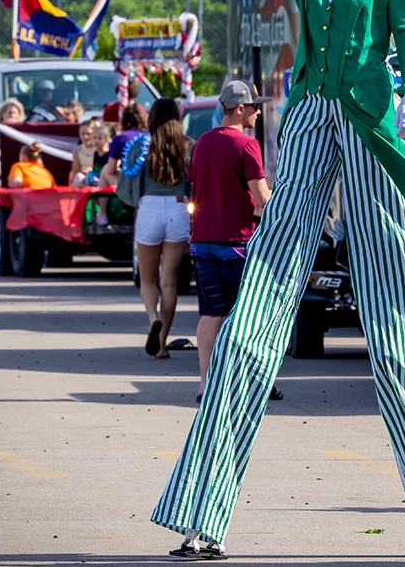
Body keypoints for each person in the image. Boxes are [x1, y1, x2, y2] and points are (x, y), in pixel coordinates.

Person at [152, 0, 405, 560]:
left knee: (399, 318)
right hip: (307, 119)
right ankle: (201, 516)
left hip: (370, 125)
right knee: (256, 309)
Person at [188, 81, 277, 402]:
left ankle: (205, 383)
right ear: (240, 108)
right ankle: (251, 381)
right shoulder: (246, 145)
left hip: (202, 241)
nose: (257, 112)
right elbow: (262, 198)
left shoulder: (201, 144)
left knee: (210, 314)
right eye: (254, 107)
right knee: (249, 315)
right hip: (236, 243)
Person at [129, 99, 191, 359]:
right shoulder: (188, 146)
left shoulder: (142, 146)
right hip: (178, 209)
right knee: (170, 281)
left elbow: (128, 181)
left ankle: (152, 317)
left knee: (147, 279)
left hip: (149, 209)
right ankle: (162, 344)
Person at [100, 102, 147, 187]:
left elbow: (111, 170)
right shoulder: (150, 136)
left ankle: (102, 200)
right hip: (148, 183)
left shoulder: (120, 138)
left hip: (129, 185)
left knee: (105, 169)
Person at [70, 120, 96, 186]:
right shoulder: (77, 150)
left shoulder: (99, 148)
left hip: (97, 176)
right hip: (82, 177)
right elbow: (75, 170)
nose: (85, 137)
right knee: (79, 177)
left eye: (88, 134)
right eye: (82, 134)